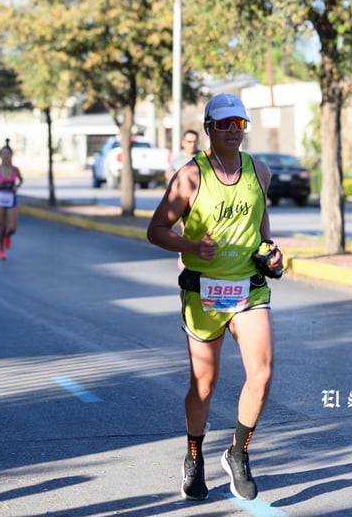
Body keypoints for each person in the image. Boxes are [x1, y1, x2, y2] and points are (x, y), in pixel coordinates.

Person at [147, 93, 282, 502]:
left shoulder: (260, 171)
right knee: (204, 385)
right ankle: (194, 455)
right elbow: (156, 230)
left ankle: (238, 453)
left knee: (262, 372)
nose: (232, 132)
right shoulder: (190, 176)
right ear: (208, 129)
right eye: (223, 124)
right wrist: (190, 246)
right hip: (205, 293)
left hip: (248, 289)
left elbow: (263, 231)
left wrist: (272, 255)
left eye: (238, 124)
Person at [0, 145, 23, 260]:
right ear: (0, 156)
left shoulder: (15, 169)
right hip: (0, 198)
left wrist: (16, 186)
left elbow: (21, 180)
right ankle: (1, 249)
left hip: (11, 198)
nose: (6, 156)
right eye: (3, 154)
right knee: (2, 227)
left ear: (11, 155)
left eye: (8, 153)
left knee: (12, 228)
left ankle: (8, 236)